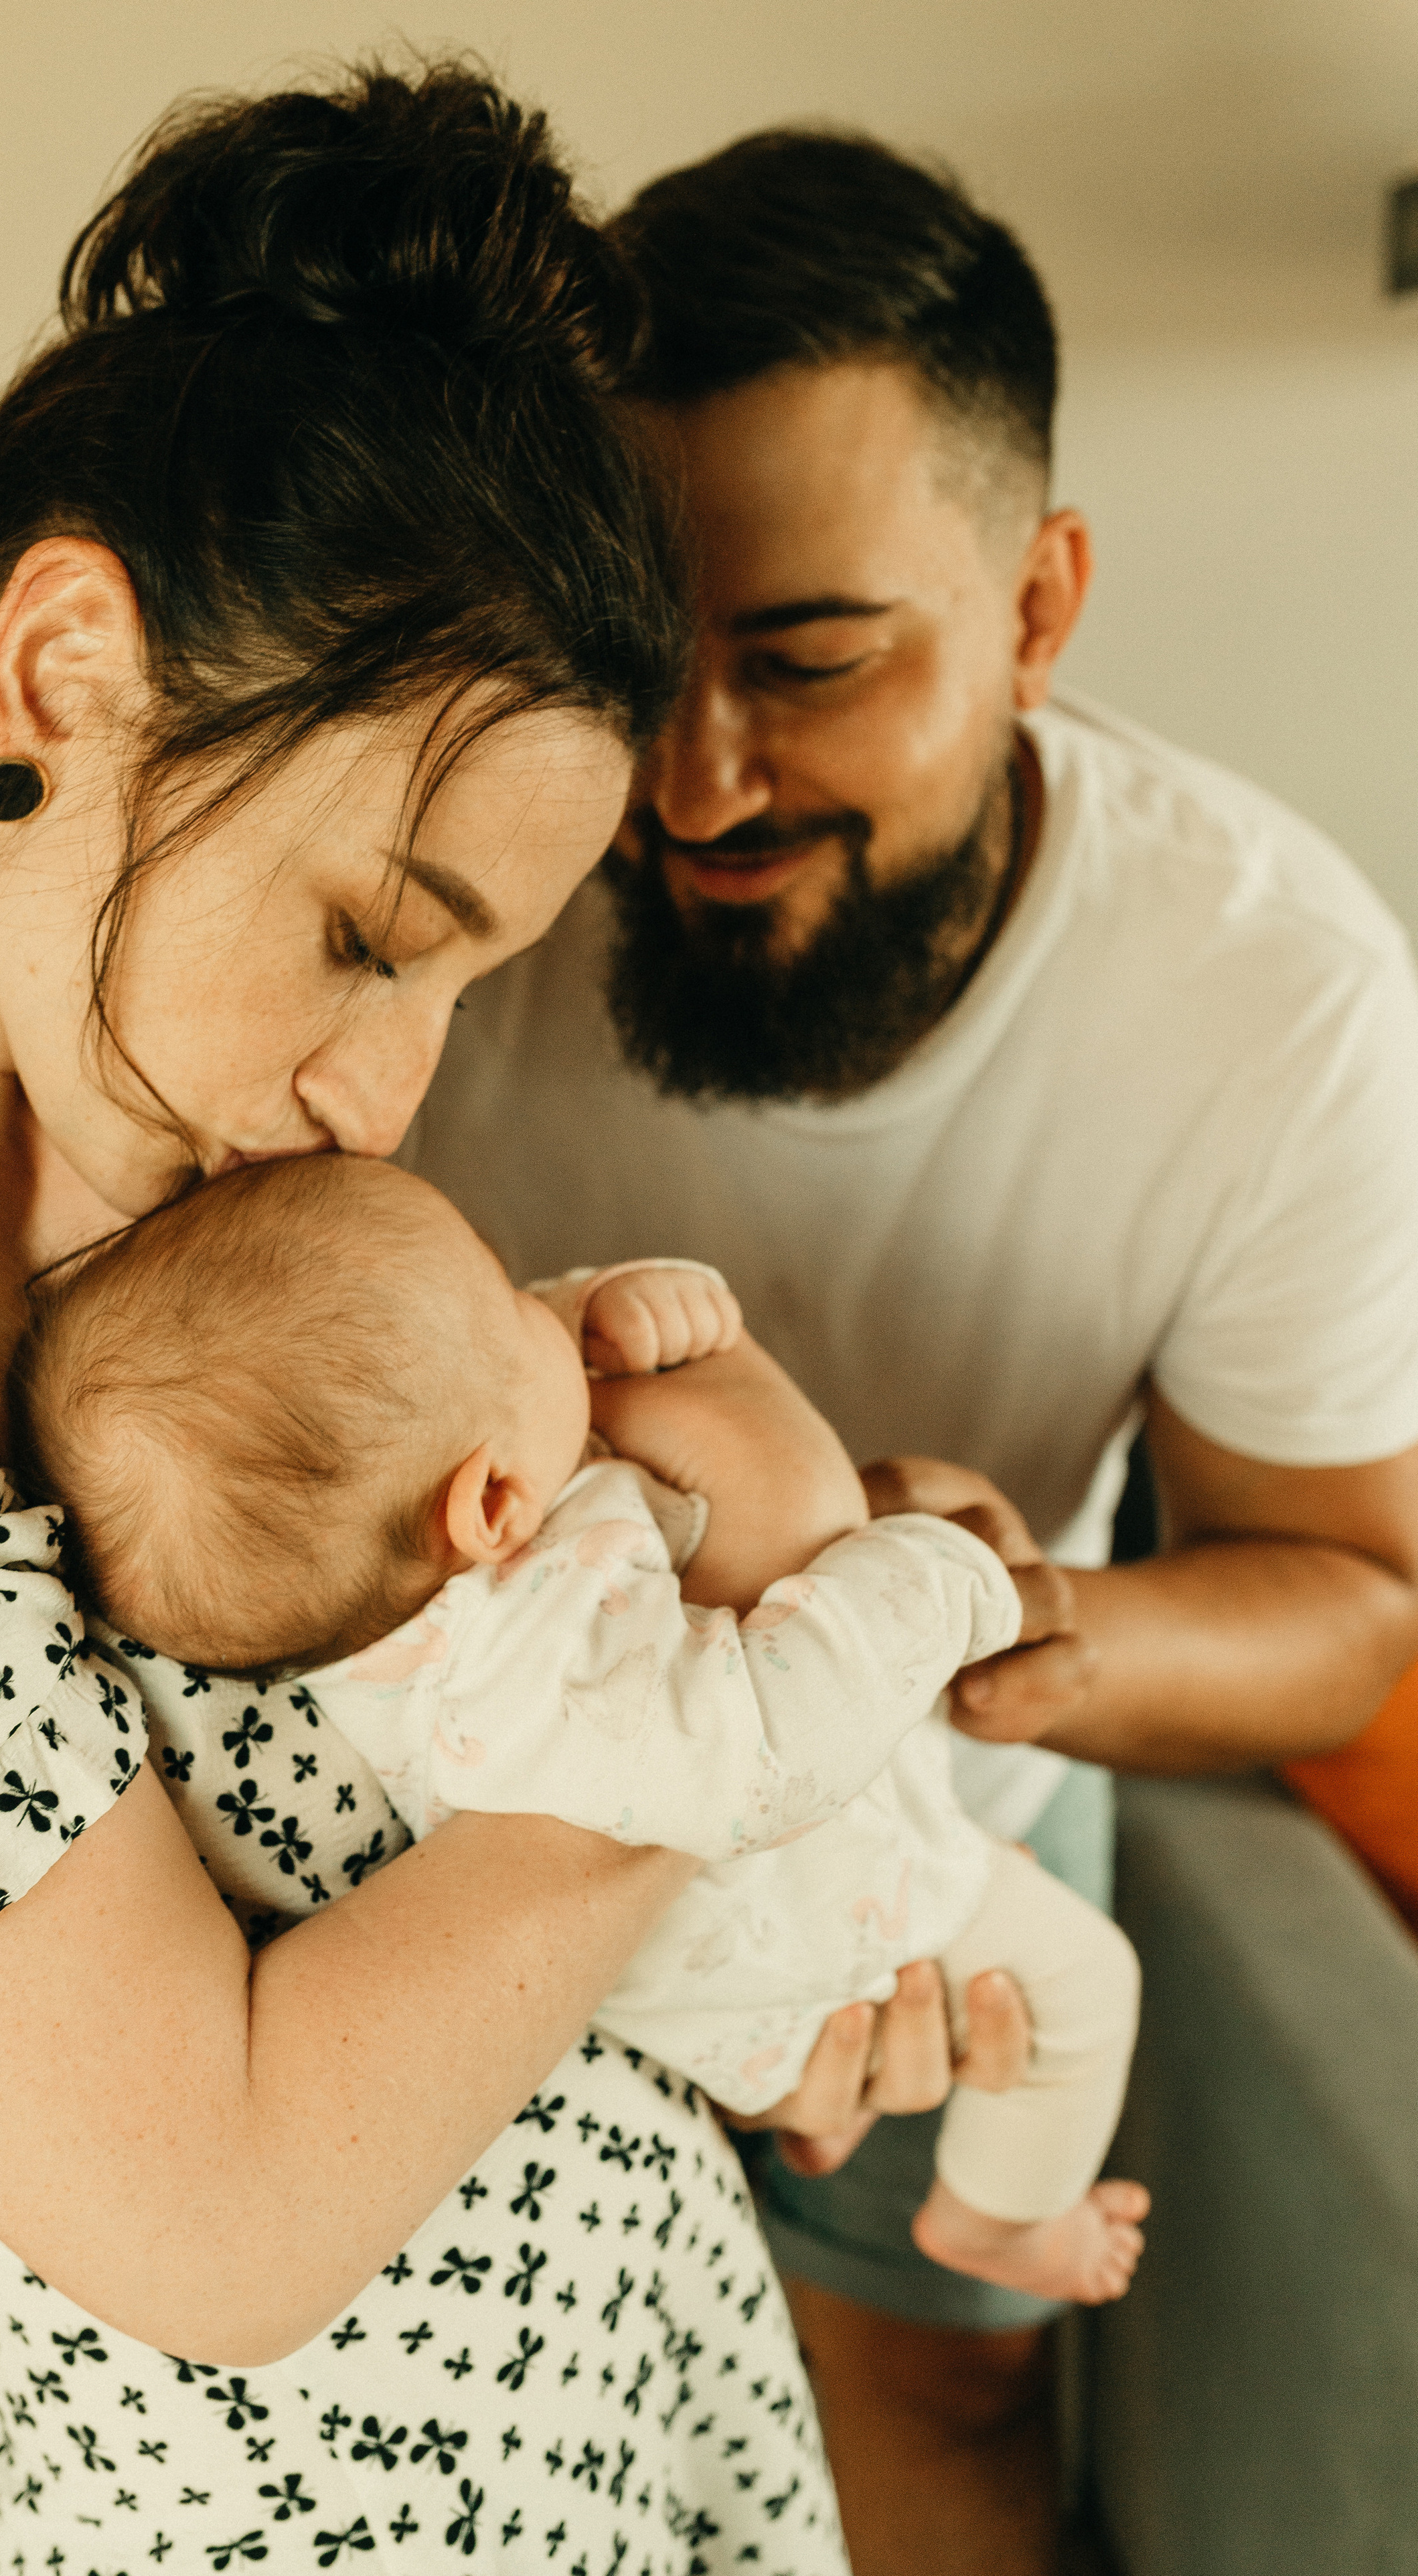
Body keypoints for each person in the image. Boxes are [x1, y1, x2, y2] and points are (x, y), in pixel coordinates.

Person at [0, 66, 979, 2575]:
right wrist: (744, 1686)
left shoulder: (115, 1071)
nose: (384, 1095)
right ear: (63, 668)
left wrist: (769, 1900)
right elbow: (225, 2212)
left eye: (464, 987)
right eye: (375, 936)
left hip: (627, 2370)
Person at [403, 128, 1418, 2575]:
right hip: (472, 1758)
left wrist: (1021, 1624)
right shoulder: (439, 869)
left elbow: (1354, 1597)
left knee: (940, 2410)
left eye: (814, 660)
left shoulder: (1276, 999)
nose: (695, 779)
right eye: (636, 658)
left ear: (1043, 604)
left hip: (950, 1772)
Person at [4, 1151, 1147, 2301]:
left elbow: (467, 1379)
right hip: (796, 1914)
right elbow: (751, 1760)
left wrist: (599, 1309)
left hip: (788, 1895)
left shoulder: (410, 1574)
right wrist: (940, 1580)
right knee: (1089, 1985)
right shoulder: (529, 1669)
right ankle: (999, 2228)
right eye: (516, 1304)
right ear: (494, 1502)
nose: (547, 1301)